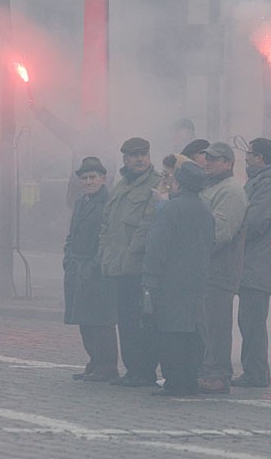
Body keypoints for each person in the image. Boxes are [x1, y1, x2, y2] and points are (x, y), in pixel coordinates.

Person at [142, 162, 215, 397]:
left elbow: (156, 246)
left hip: (169, 281)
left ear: (180, 183)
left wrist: (150, 278)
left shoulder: (171, 208)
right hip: (196, 280)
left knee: (169, 331)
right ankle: (190, 380)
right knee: (191, 331)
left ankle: (174, 381)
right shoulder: (205, 210)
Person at [97, 137, 161, 387]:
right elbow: (107, 224)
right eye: (134, 155)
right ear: (125, 159)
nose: (140, 159)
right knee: (125, 321)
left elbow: (148, 225)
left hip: (139, 268)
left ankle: (144, 371)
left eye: (143, 154)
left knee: (142, 323)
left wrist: (131, 253)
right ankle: (132, 369)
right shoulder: (121, 186)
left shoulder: (156, 185)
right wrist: (104, 253)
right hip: (119, 268)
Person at [231, 138, 271, 388]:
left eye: (250, 154)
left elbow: (255, 221)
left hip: (258, 262)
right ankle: (253, 371)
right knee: (248, 320)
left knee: (252, 320)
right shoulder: (259, 181)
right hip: (251, 262)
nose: (246, 159)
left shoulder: (269, 184)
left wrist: (234, 230)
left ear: (261, 158)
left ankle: (256, 373)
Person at [198, 142, 248, 394]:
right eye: (207, 158)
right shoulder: (213, 187)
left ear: (229, 163)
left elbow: (219, 234)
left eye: (215, 159)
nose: (208, 162)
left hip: (219, 269)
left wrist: (193, 253)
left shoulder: (230, 191)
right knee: (205, 323)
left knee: (216, 324)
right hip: (206, 269)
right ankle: (207, 370)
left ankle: (219, 373)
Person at [64, 157, 118, 383]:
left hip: (96, 271)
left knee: (100, 321)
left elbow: (109, 236)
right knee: (84, 320)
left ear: (103, 178)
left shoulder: (108, 202)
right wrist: (67, 258)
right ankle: (94, 362)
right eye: (84, 178)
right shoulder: (81, 202)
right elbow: (72, 234)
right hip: (77, 267)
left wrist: (94, 265)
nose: (88, 182)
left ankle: (106, 366)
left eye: (92, 177)